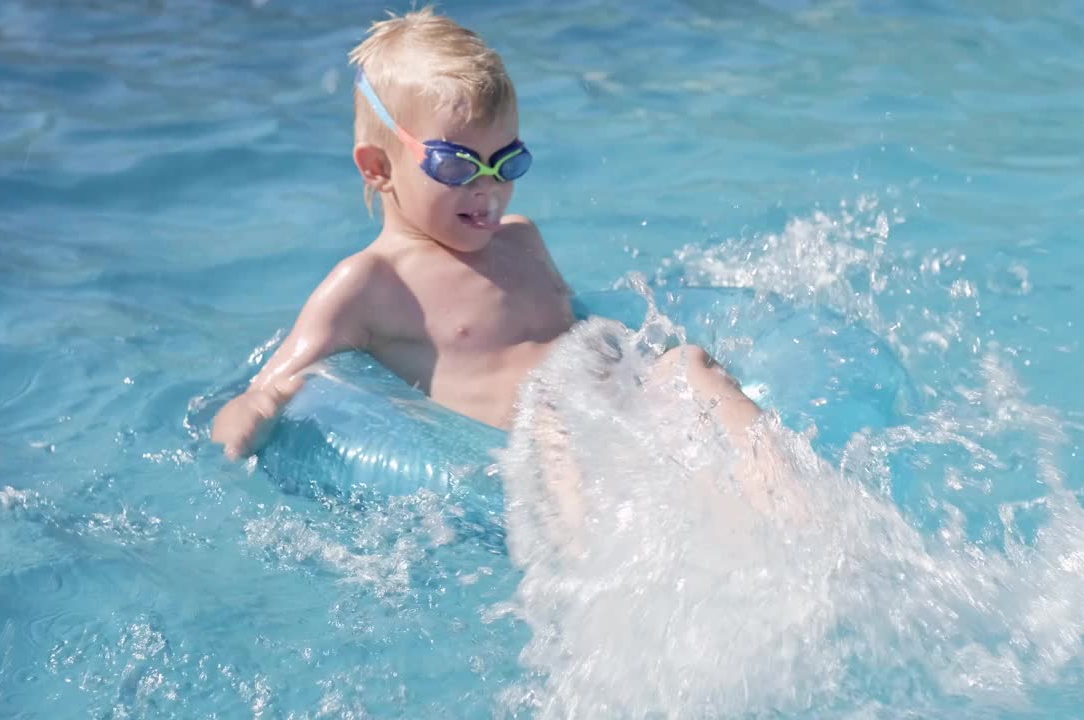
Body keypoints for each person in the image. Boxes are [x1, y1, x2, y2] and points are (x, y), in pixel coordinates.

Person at [211, 8, 770, 513]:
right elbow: (274, 383)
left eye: (507, 163)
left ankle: (799, 511)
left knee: (689, 365)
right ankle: (601, 582)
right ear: (378, 166)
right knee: (553, 412)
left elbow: (584, 333)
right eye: (456, 166)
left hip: (616, 416)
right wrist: (244, 424)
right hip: (541, 445)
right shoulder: (371, 283)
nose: (488, 189)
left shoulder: (523, 240)